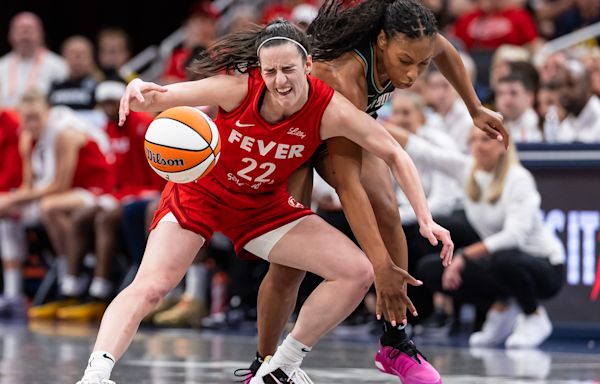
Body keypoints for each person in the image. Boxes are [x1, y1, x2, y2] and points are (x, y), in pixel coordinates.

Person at [75, 19, 452, 384]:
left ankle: (280, 368)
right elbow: (162, 96)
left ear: (307, 65)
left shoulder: (330, 109)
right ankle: (95, 375)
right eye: (270, 72)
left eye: (288, 69)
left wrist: (424, 217)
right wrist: (136, 88)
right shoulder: (238, 88)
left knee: (356, 271)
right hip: (201, 193)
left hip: (260, 206)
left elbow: (395, 154)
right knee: (152, 286)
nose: (280, 81)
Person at [242, 1, 508, 383]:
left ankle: (394, 342)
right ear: (381, 41)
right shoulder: (345, 75)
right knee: (289, 263)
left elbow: (445, 51)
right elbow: (348, 186)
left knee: (387, 210)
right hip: (295, 138)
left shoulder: (416, 43)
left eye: (421, 63)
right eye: (405, 62)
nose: (414, 74)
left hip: (345, 129)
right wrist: (380, 267)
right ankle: (262, 364)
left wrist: (475, 107)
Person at [391, 127, 565, 349]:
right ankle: (502, 305)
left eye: (485, 140)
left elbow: (514, 237)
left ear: (503, 146)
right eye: (473, 140)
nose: (478, 146)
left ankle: (534, 315)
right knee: (432, 270)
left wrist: (464, 257)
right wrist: (373, 120)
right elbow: (424, 151)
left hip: (546, 268)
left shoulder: (519, 178)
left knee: (503, 259)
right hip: (500, 263)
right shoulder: (467, 170)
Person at [0, 90, 112, 319]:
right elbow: (28, 185)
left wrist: (13, 198)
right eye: (26, 118)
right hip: (65, 195)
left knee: (49, 207)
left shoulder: (65, 134)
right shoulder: (26, 138)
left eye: (36, 117)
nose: (31, 123)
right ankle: (14, 291)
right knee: (6, 214)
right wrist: (9, 200)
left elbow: (59, 185)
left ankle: (75, 269)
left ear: (48, 113)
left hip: (97, 191)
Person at [0, 12, 68, 107]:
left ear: (41, 35)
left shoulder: (58, 65)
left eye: (30, 31)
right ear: (10, 36)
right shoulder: (2, 65)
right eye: (20, 31)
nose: (25, 36)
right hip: (6, 118)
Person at [0, 108, 24, 316]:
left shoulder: (13, 125)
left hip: (17, 193)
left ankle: (13, 292)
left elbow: (14, 172)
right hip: (12, 194)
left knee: (6, 218)